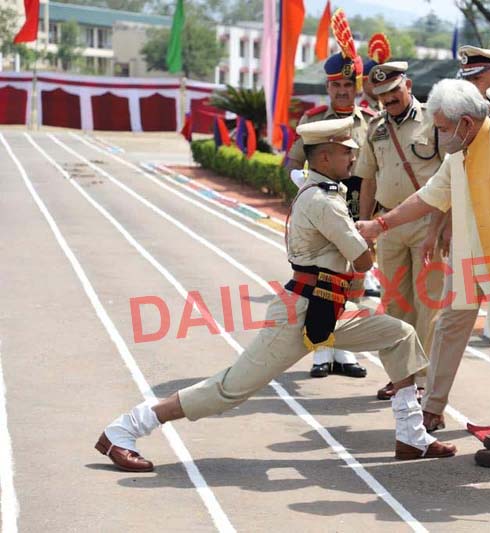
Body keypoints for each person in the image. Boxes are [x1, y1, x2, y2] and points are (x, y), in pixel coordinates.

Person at [94, 117, 457, 472]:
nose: (353, 157)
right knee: (230, 390)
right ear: (325, 157)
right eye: (346, 151)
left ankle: (411, 436)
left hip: (328, 305)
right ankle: (124, 429)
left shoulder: (326, 192)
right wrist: (373, 234)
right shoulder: (323, 201)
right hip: (299, 311)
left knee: (400, 335)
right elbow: (362, 261)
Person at [357, 79, 490, 469]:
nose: (438, 135)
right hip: (473, 263)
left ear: (465, 124)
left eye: (443, 127)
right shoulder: (460, 154)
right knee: (484, 341)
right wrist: (380, 225)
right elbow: (430, 195)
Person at [419, 45, 490, 432]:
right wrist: (435, 227)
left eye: (479, 79)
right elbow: (446, 183)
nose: (473, 87)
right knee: (450, 325)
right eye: (469, 80)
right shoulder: (462, 126)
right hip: (466, 245)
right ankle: (432, 406)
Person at [355, 62, 446, 400]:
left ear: (407, 85)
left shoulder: (434, 120)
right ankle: (400, 377)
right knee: (394, 303)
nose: (389, 99)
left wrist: (442, 227)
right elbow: (368, 179)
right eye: (382, 95)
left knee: (428, 303)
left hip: (427, 223)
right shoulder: (376, 128)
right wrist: (364, 228)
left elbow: (449, 176)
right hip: (388, 223)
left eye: (394, 91)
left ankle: (422, 378)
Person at [286, 49, 376, 379]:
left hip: (358, 211)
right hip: (323, 212)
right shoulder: (312, 121)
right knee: (322, 282)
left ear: (357, 87)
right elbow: (293, 160)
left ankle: (344, 352)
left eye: (348, 85)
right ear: (327, 87)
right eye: (336, 85)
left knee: (355, 284)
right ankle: (321, 352)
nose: (342, 91)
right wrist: (300, 183)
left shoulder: (372, 121)